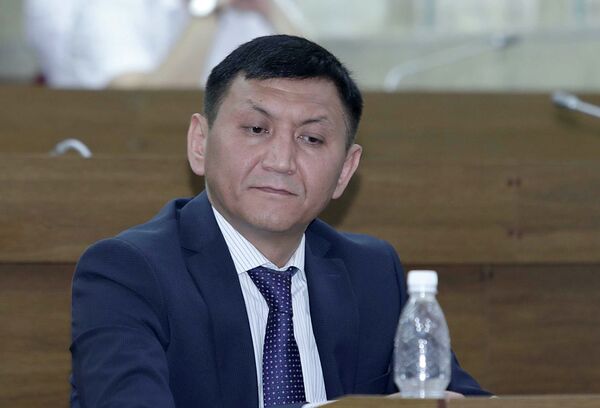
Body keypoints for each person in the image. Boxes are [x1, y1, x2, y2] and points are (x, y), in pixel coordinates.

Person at [70, 35, 490, 407]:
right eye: (256, 129)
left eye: (311, 138)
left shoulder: (373, 273)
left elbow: (457, 397)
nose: (281, 160)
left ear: (345, 170)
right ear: (200, 143)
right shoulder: (127, 273)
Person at [24, 0, 300, 88]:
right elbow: (144, 109)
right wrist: (208, 9)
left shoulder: (247, 8)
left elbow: (310, 84)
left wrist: (269, 11)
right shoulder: (110, 8)